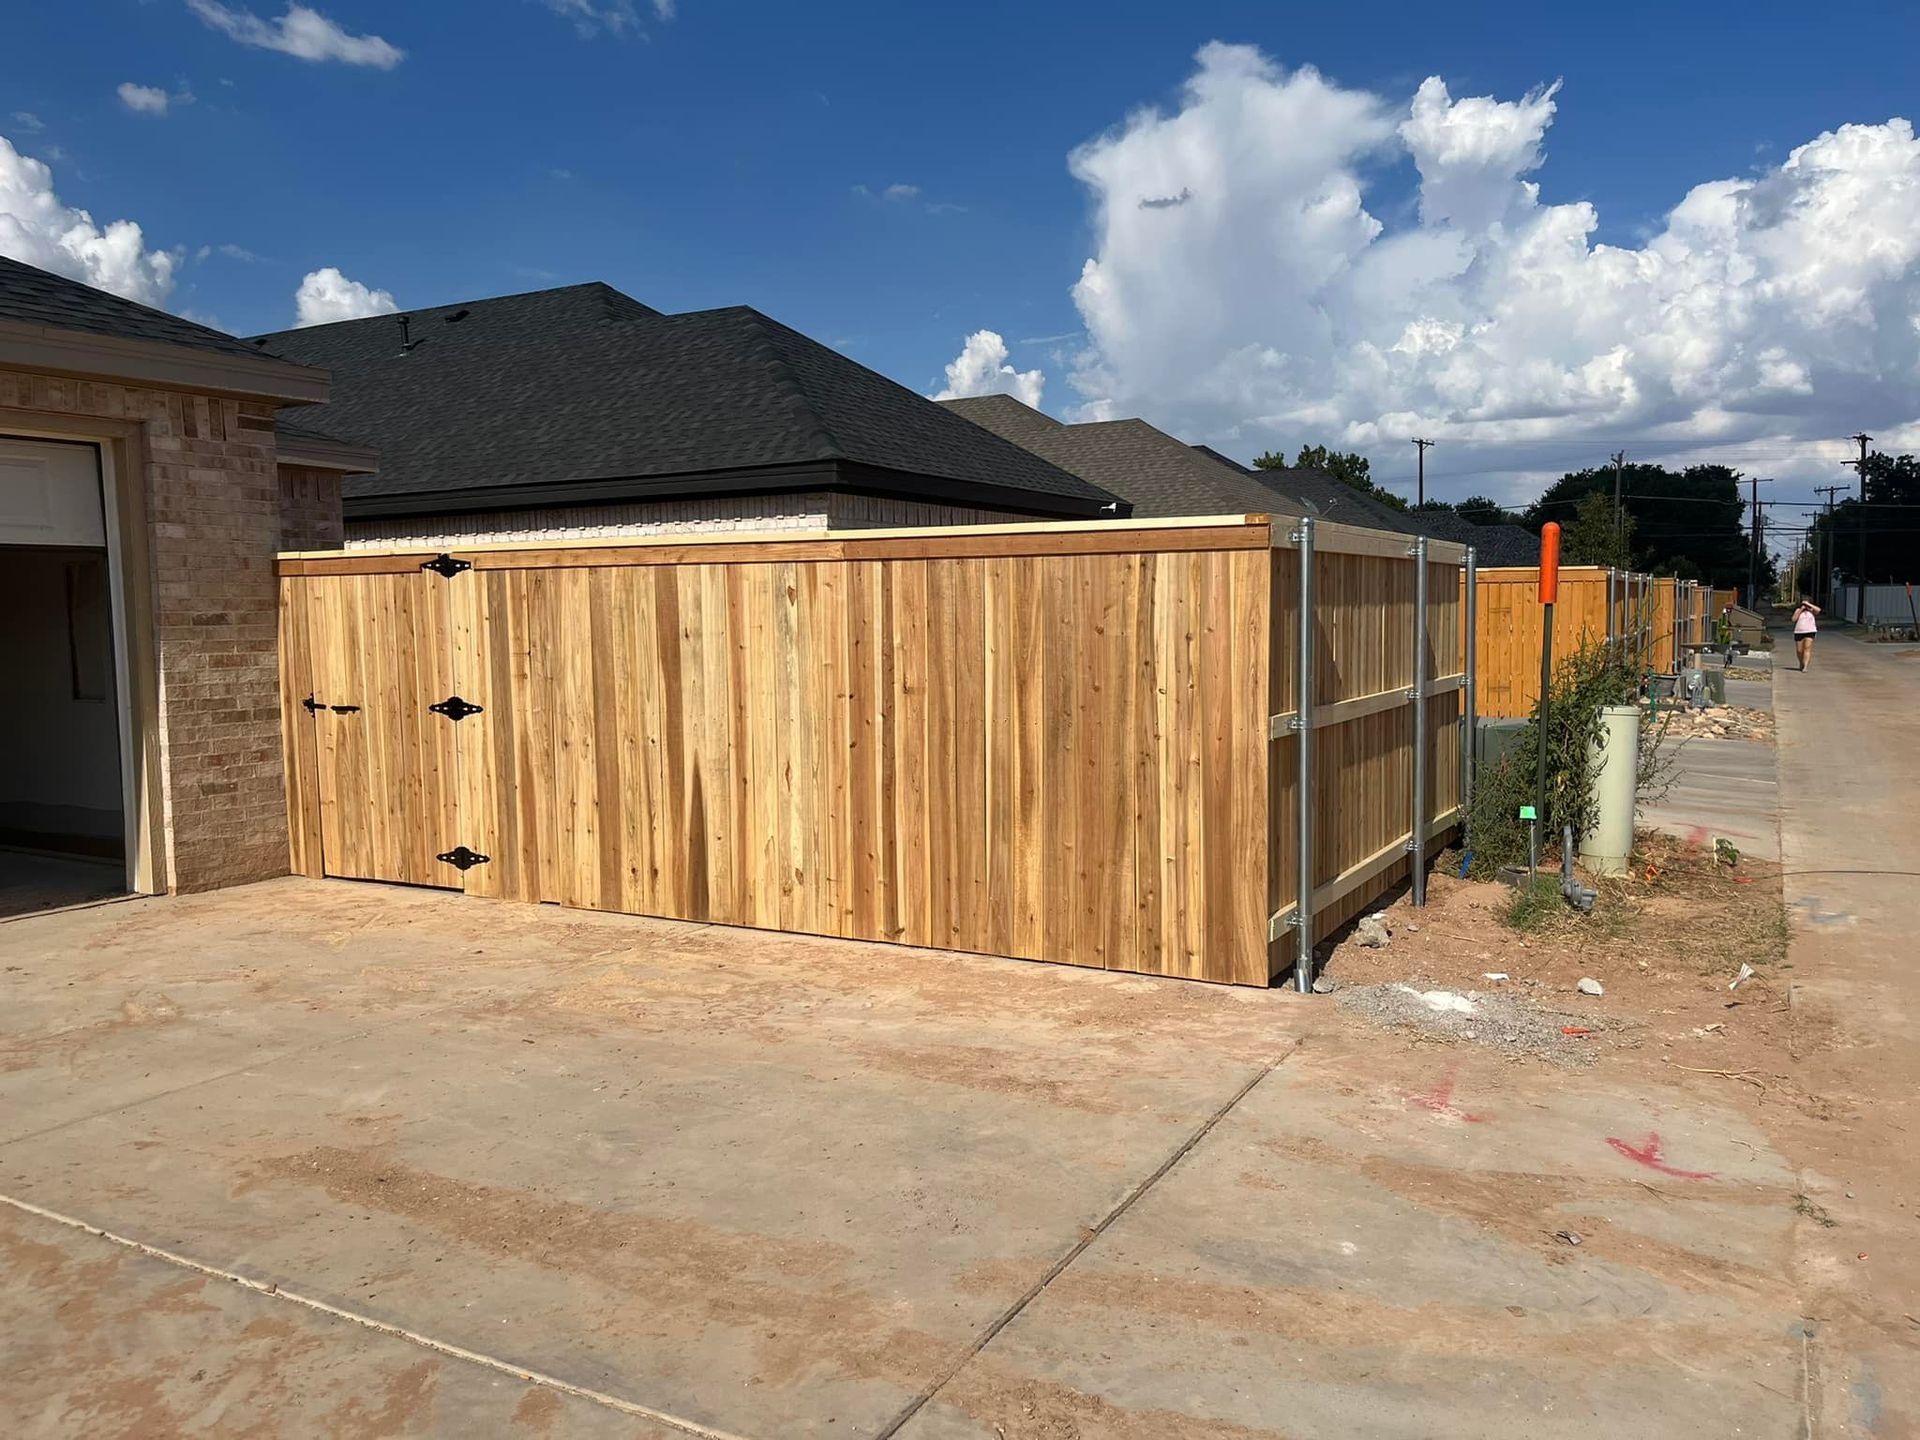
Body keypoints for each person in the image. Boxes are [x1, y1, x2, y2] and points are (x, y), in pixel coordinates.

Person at [1792, 599, 1820, 671]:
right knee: (1799, 651)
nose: (1805, 606)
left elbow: (1818, 610)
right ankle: (1801, 663)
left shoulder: (1812, 610)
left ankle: (1805, 666)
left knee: (1807, 648)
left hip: (1810, 631)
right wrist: (1801, 609)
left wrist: (1809, 605)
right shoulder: (1798, 610)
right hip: (1799, 632)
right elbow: (1793, 619)